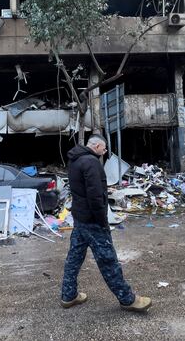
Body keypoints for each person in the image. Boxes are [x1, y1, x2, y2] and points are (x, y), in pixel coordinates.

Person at [60, 134, 151, 312]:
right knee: (108, 260)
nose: (105, 151)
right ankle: (128, 299)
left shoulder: (75, 160)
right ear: (96, 146)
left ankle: (68, 295)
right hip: (92, 220)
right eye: (104, 148)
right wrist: (103, 221)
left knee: (74, 258)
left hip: (80, 217)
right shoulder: (92, 162)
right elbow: (95, 197)